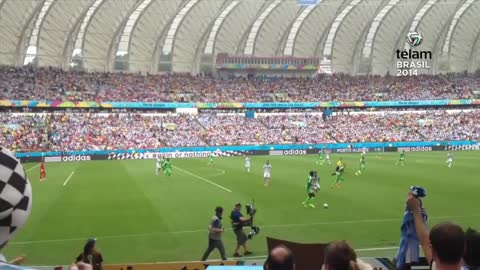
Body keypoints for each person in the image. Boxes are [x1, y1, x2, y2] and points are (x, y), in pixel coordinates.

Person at [406, 195, 465, 270]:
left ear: (433, 251)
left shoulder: (434, 265)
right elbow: (425, 241)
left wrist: (415, 210)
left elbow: (424, 240)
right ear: (464, 249)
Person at [396, 186, 428, 270]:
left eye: (411, 194)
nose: (408, 195)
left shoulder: (416, 211)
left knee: (406, 262)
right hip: (407, 240)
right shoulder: (413, 209)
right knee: (403, 261)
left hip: (410, 241)